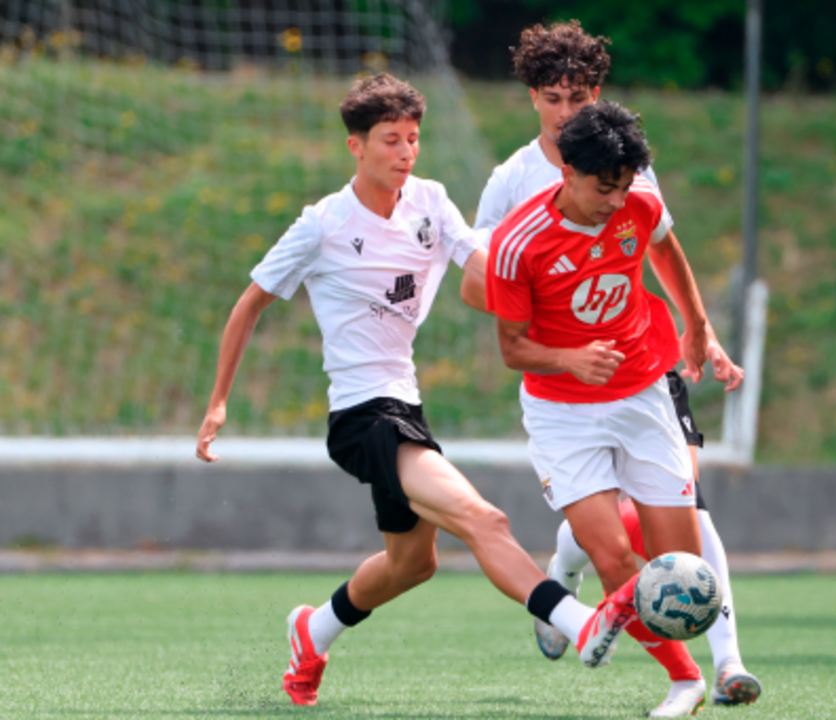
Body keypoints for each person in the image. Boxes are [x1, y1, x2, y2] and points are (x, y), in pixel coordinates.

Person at [194, 73, 640, 707]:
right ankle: (579, 622)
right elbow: (248, 305)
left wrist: (554, 300)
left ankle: (312, 631)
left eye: (412, 138)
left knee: (413, 564)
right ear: (356, 146)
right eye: (390, 140)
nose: (405, 152)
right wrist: (218, 402)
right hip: (361, 416)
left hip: (404, 404)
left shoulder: (430, 201)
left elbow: (486, 268)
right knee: (483, 518)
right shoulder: (322, 224)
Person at [475, 21, 763, 708]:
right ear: (533, 100)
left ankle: (721, 656)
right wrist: (558, 334)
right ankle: (690, 675)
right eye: (553, 97)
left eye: (578, 96)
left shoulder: (630, 181)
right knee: (616, 557)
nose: (565, 110)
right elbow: (485, 290)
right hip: (563, 396)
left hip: (643, 376)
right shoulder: (514, 195)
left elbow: (661, 244)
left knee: (682, 553)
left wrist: (699, 331)